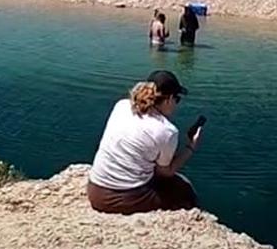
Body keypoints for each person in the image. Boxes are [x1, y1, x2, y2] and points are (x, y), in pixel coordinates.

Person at [86, 70, 201, 214]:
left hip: (95, 189)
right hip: (120, 199)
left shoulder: (122, 105)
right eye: (177, 99)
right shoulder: (166, 131)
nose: (176, 104)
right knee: (184, 190)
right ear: (169, 99)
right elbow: (166, 172)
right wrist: (191, 147)